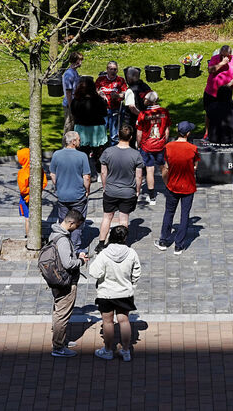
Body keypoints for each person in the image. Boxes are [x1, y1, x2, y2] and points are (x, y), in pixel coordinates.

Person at [89, 225, 141, 361]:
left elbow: (94, 272)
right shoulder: (131, 253)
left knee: (108, 322)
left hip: (106, 293)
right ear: (125, 238)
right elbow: (136, 273)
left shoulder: (104, 254)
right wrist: (132, 285)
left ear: (110, 237)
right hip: (125, 292)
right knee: (124, 320)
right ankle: (125, 350)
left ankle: (107, 350)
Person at [47, 209, 88, 358]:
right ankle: (58, 346)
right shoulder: (63, 240)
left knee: (58, 310)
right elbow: (68, 263)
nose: (76, 228)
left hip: (56, 278)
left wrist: (76, 254)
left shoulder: (55, 233)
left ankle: (60, 340)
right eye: (76, 225)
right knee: (62, 314)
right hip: (65, 282)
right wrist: (81, 261)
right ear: (71, 223)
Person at [96, 125, 143, 253]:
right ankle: (122, 244)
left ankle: (101, 244)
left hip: (111, 190)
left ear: (118, 136)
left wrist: (105, 187)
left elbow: (103, 172)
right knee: (124, 219)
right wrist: (137, 190)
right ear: (131, 137)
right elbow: (138, 176)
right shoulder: (136, 155)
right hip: (128, 192)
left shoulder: (108, 152)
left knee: (107, 217)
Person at [157, 121, 200, 254]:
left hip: (172, 185)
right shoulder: (193, 149)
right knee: (184, 215)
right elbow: (195, 167)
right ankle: (179, 245)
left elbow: (165, 165)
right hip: (188, 186)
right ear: (188, 133)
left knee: (169, 212)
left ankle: (163, 240)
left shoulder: (168, 147)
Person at [49, 131, 91, 254]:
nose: (80, 141)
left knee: (63, 221)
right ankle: (75, 248)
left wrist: (58, 186)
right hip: (78, 196)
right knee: (77, 222)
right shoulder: (82, 156)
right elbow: (87, 177)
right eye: (78, 139)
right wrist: (87, 190)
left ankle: (63, 245)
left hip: (62, 195)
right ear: (73, 142)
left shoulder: (56, 154)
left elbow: (52, 174)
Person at [136, 91, 171, 205]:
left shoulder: (143, 114)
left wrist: (139, 144)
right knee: (163, 167)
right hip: (160, 144)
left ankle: (152, 197)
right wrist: (164, 141)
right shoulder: (164, 112)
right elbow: (167, 130)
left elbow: (139, 132)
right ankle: (169, 191)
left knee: (149, 170)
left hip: (147, 146)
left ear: (149, 100)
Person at [71, 76, 108, 181]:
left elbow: (73, 113)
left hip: (82, 129)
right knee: (98, 152)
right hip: (96, 129)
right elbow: (104, 113)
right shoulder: (99, 100)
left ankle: (85, 173)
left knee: (83, 152)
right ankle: (99, 172)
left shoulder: (76, 101)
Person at [204, 45, 233, 139]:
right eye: (222, 55)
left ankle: (225, 132)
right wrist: (222, 63)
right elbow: (210, 70)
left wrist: (229, 85)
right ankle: (207, 132)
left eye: (226, 56)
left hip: (226, 93)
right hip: (212, 91)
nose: (224, 57)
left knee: (226, 112)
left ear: (230, 54)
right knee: (209, 112)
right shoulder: (215, 58)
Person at [95, 61, 128, 145]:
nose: (113, 71)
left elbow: (125, 94)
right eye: (111, 69)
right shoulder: (100, 80)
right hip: (102, 110)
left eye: (115, 69)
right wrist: (99, 93)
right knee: (101, 132)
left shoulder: (120, 80)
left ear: (117, 70)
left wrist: (117, 95)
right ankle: (101, 150)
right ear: (107, 70)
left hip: (115, 110)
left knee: (114, 134)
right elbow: (94, 92)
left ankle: (114, 151)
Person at [17, 147, 47, 238]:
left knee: (28, 218)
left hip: (26, 198)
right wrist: (38, 189)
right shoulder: (39, 169)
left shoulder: (22, 172)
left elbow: (22, 189)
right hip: (36, 196)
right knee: (36, 217)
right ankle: (37, 235)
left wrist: (30, 190)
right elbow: (44, 182)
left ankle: (29, 237)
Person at [120, 67, 152, 138]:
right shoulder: (145, 86)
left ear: (129, 78)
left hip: (133, 121)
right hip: (147, 117)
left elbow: (132, 107)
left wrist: (141, 115)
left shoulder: (130, 90)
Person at [62, 52, 83, 134]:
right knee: (69, 127)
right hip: (69, 104)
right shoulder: (69, 74)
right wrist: (71, 107)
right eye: (80, 60)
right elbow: (68, 92)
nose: (81, 62)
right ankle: (65, 145)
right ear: (76, 61)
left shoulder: (74, 72)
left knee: (74, 127)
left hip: (75, 102)